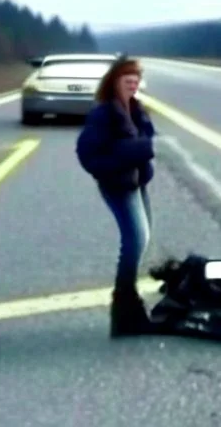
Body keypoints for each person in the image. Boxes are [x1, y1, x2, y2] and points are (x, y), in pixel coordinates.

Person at [75, 56, 157, 337]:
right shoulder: (104, 113)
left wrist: (142, 157)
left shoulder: (135, 108)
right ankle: (124, 306)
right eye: (127, 79)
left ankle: (127, 305)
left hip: (135, 183)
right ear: (114, 81)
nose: (132, 84)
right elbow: (87, 154)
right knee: (136, 240)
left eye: (136, 80)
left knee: (143, 238)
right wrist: (118, 165)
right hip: (118, 185)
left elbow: (144, 141)